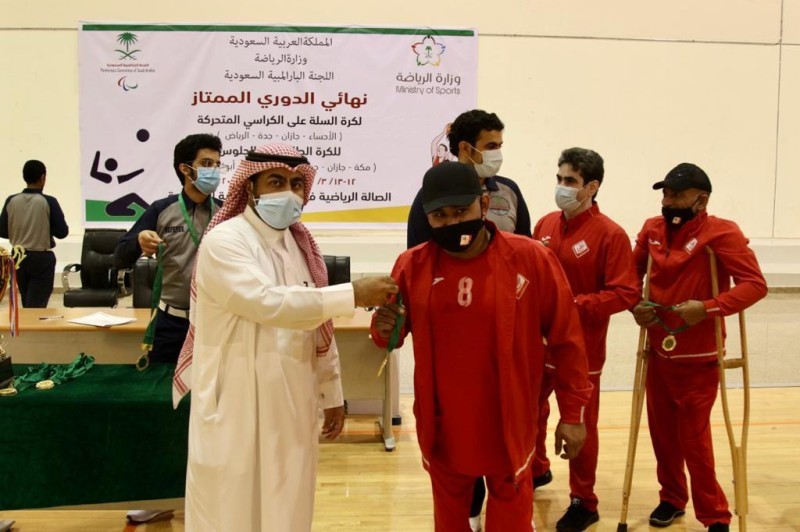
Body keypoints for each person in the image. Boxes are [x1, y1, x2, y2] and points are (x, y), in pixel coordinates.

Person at [171, 143, 398, 532]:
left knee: (288, 507)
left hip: (292, 403)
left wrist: (331, 394)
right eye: (276, 182)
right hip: (236, 404)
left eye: (296, 184)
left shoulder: (298, 244)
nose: (289, 193)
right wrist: (352, 294)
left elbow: (317, 323)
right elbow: (267, 302)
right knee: (230, 510)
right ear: (250, 188)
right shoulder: (225, 240)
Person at [372, 161, 593, 532]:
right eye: (440, 216)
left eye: (461, 211)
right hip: (443, 429)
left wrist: (573, 415)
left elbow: (567, 340)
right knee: (449, 524)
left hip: (510, 423)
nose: (452, 222)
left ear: (484, 205)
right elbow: (389, 336)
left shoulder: (531, 258)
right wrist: (383, 330)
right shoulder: (412, 265)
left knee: (511, 524)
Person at [631, 163, 767, 532]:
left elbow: (754, 285)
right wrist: (635, 305)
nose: (667, 201)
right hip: (659, 351)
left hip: (699, 356)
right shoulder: (652, 229)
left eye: (676, 195)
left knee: (694, 440)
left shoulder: (722, 233)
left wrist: (707, 308)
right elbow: (630, 276)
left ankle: (715, 514)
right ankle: (672, 499)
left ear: (701, 200)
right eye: (665, 194)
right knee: (663, 435)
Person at [531, 148, 640, 531]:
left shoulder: (611, 234)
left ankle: (584, 500)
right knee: (529, 412)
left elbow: (626, 292)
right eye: (559, 179)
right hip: (539, 345)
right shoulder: (544, 224)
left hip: (581, 351)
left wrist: (575, 306)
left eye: (570, 181)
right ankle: (536, 469)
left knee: (579, 426)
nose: (561, 187)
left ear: (591, 187)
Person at [115, 133, 224, 364]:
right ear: (185, 169)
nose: (214, 171)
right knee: (162, 383)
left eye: (217, 165)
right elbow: (120, 257)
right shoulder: (161, 209)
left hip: (215, 321)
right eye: (206, 164)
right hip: (171, 322)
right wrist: (139, 241)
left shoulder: (226, 213)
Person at [407, 109, 531, 248]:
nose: (497, 153)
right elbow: (418, 254)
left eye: (499, 146)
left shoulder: (509, 190)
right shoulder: (432, 193)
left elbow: (525, 247)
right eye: (491, 146)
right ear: (465, 148)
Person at [0, 160, 69, 307]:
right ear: (42, 177)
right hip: (41, 258)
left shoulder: (11, 200)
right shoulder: (49, 201)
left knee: (26, 300)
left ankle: (26, 320)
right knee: (36, 304)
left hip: (17, 257)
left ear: (24, 177)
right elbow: (62, 232)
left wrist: (19, 233)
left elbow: (2, 231)